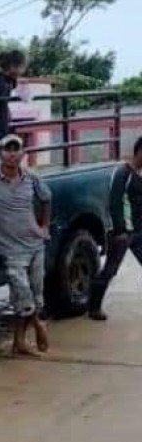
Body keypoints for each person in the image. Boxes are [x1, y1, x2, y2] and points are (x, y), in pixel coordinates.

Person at [0, 133, 52, 357]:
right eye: (7, 149)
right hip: (9, 250)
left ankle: (19, 341)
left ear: (23, 154)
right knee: (23, 294)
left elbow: (47, 198)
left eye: (16, 149)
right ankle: (38, 324)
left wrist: (44, 227)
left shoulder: (31, 178)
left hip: (35, 245)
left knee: (35, 295)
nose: (12, 154)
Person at [88, 136, 142, 320]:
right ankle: (93, 307)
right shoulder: (123, 173)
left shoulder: (137, 175)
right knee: (110, 269)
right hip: (122, 232)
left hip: (137, 230)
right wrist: (119, 230)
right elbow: (115, 202)